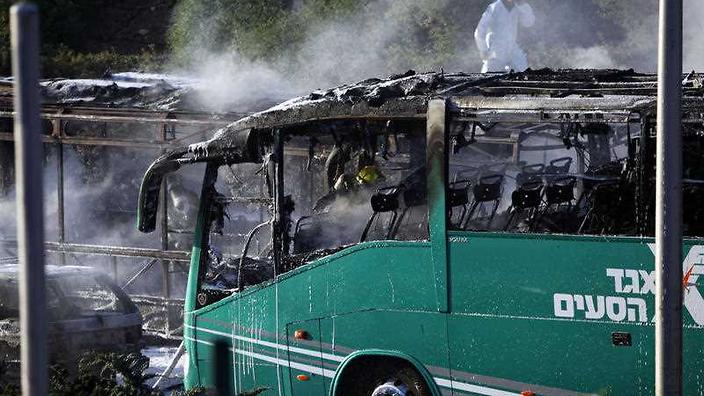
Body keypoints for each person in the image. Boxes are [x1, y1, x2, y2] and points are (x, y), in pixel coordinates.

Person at [474, 0, 535, 73]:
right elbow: (480, 30)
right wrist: (483, 49)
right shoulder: (494, 7)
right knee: (487, 78)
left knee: (524, 72)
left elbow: (529, 22)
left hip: (512, 48)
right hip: (495, 51)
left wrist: (522, 5)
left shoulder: (518, 7)